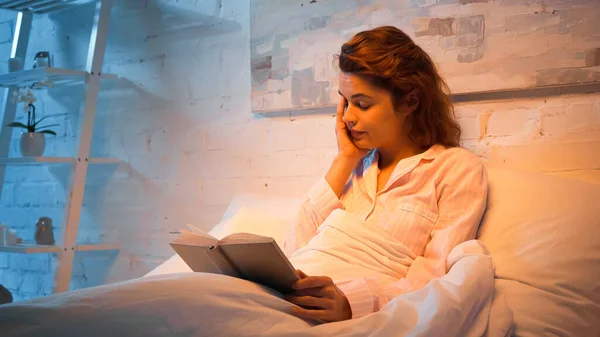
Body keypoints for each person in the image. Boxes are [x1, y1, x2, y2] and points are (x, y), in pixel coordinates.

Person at [282, 26, 488, 323]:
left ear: (410, 102)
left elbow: (434, 277)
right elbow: (295, 249)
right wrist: (345, 159)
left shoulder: (455, 169)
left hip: (352, 318)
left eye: (362, 104)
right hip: (291, 302)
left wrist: (352, 302)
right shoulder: (352, 171)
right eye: (346, 102)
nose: (348, 117)